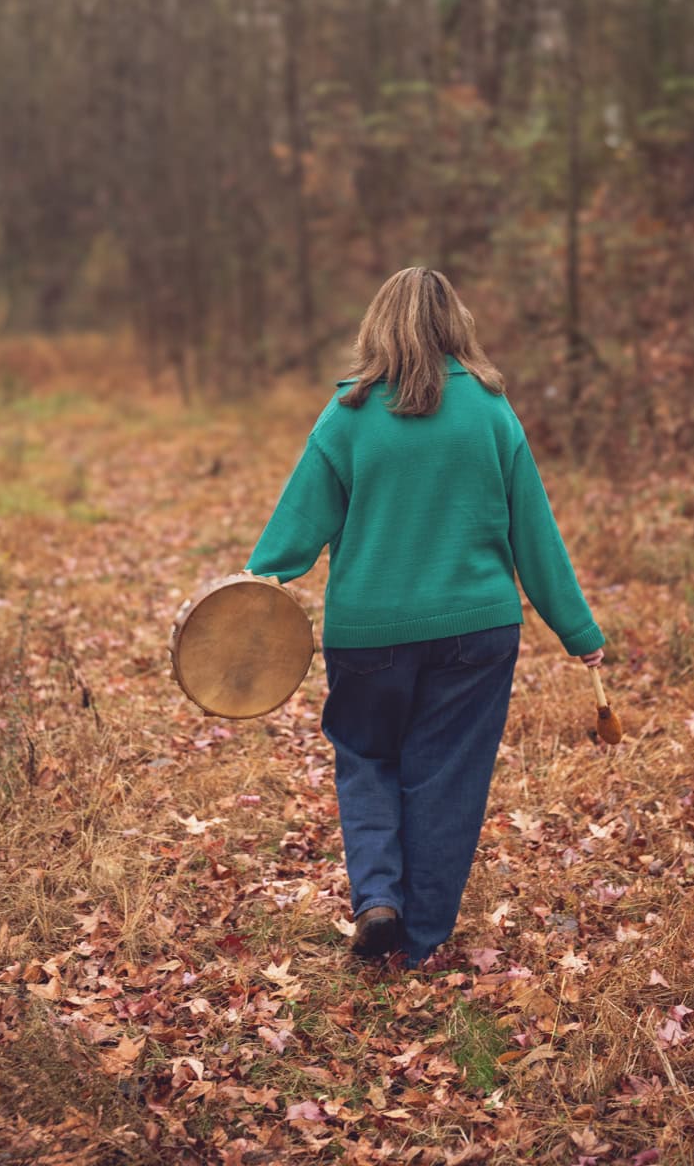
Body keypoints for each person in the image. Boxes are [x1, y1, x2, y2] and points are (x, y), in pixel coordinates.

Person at [245, 267, 605, 967]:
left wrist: (254, 587)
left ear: (376, 325)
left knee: (366, 757)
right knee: (446, 777)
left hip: (368, 634)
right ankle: (419, 941)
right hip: (475, 631)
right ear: (456, 325)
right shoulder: (492, 411)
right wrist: (578, 632)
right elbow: (535, 532)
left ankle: (378, 897)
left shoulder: (346, 414)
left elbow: (290, 536)